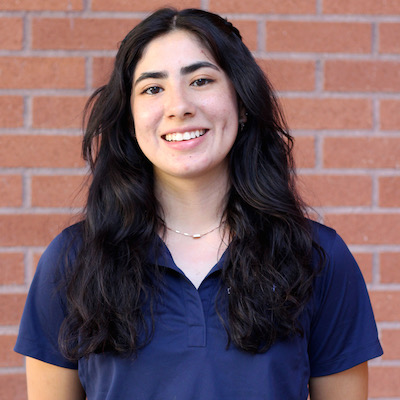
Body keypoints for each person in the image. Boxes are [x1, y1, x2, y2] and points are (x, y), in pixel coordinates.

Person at [15, 8, 383, 399]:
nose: (179, 106)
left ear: (242, 103)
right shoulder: (73, 260)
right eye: (152, 89)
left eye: (201, 80)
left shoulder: (317, 257)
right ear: (129, 120)